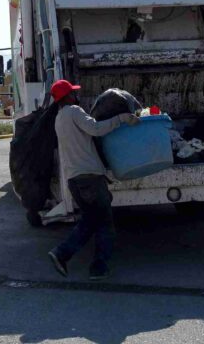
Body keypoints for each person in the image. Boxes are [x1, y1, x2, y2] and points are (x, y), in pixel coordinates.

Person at [47, 79, 139, 281]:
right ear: (67, 97)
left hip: (75, 180)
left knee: (91, 220)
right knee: (104, 223)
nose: (76, 95)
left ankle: (66, 255)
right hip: (90, 178)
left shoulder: (59, 118)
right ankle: (93, 265)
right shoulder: (74, 111)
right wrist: (122, 118)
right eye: (73, 93)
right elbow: (96, 129)